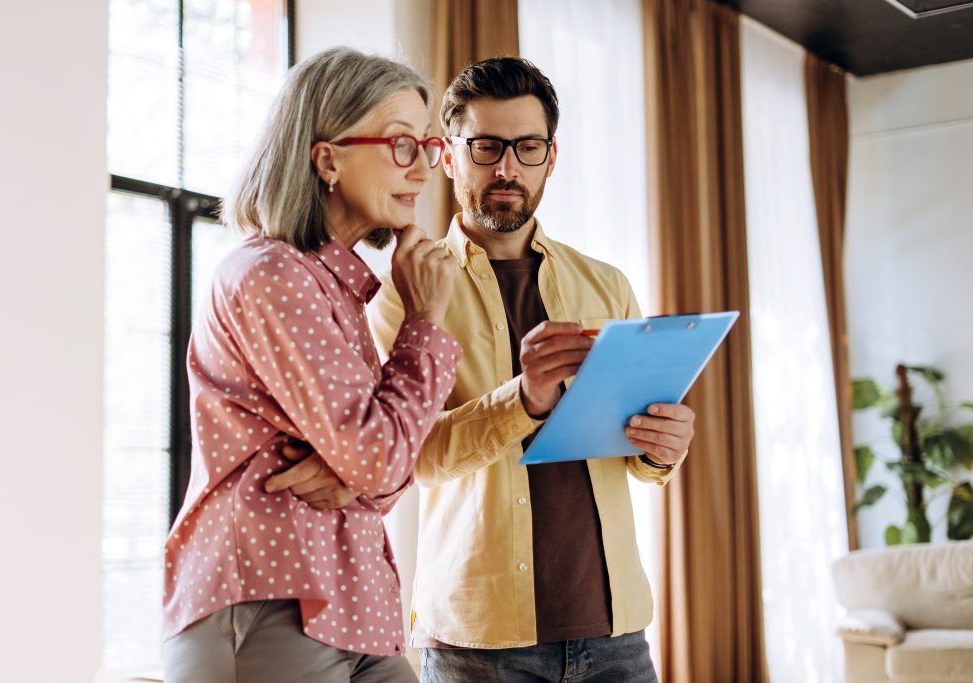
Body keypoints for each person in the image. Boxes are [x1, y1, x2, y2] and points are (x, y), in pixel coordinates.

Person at [367, 57, 697, 682]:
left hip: (617, 633)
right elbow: (409, 458)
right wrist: (526, 400)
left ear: (551, 156)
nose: (507, 168)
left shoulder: (607, 284)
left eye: (527, 147)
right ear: (448, 155)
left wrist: (664, 446)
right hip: (479, 643)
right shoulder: (402, 292)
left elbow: (639, 457)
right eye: (486, 147)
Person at [161, 47, 462, 683]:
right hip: (266, 597)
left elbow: (382, 461)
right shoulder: (272, 275)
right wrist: (425, 323)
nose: (425, 170)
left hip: (352, 605)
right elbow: (382, 455)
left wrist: (360, 472)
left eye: (428, 147)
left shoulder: (334, 289)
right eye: (402, 144)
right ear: (327, 159)